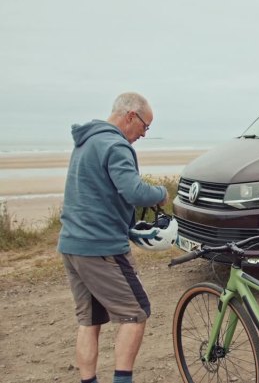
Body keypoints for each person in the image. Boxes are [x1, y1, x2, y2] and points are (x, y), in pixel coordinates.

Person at [58, 92, 169, 383]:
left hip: (72, 244)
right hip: (101, 247)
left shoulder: (87, 141)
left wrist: (128, 225)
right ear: (131, 116)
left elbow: (98, 195)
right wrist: (161, 193)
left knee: (90, 321)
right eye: (145, 126)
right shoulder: (115, 144)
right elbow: (133, 192)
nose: (144, 134)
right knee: (136, 313)